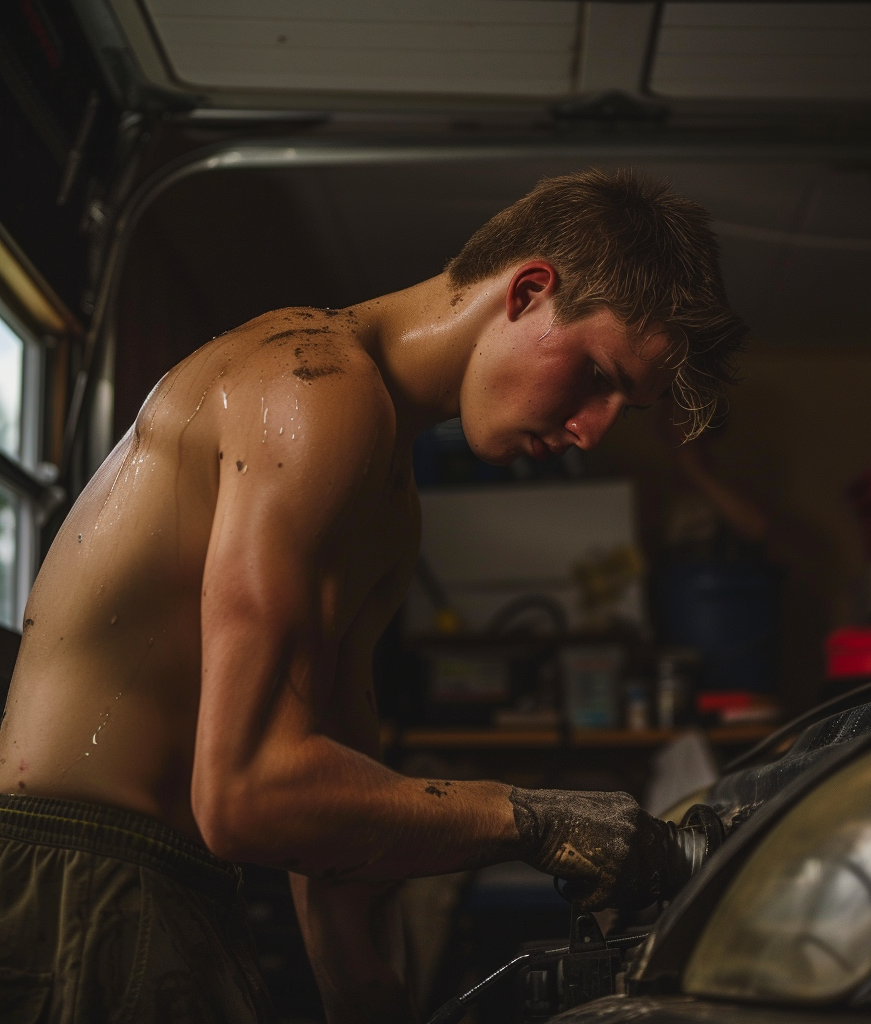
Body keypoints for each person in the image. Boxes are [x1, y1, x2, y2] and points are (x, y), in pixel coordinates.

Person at [0, 169, 746, 1023]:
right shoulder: (315, 388)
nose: (593, 429)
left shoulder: (388, 503)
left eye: (625, 406)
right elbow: (244, 796)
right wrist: (531, 818)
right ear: (530, 291)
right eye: (597, 376)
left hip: (168, 893)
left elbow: (329, 848)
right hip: (78, 884)